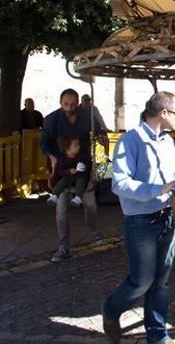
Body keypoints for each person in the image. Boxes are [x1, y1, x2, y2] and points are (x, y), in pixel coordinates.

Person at [102, 92, 175, 344]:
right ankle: (111, 310)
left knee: (161, 282)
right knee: (142, 281)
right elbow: (120, 183)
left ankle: (158, 336)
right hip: (141, 222)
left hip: (169, 218)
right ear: (164, 113)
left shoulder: (169, 142)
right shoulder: (130, 140)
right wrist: (158, 189)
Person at [40, 88, 105, 262]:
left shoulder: (86, 115)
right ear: (60, 103)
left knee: (90, 206)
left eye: (73, 104)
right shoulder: (51, 120)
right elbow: (43, 144)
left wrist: (101, 136)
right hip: (63, 168)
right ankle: (63, 247)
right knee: (61, 212)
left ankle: (92, 228)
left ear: (78, 103)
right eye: (66, 104)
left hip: (83, 165)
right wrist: (53, 158)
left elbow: (99, 129)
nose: (69, 108)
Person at [47, 135, 92, 208]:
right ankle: (54, 196)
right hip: (68, 177)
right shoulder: (62, 158)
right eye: (76, 145)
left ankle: (78, 198)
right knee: (62, 181)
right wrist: (69, 171)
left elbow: (87, 163)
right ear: (68, 148)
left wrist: (83, 167)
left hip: (80, 176)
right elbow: (59, 171)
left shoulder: (81, 156)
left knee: (82, 180)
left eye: (78, 144)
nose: (79, 147)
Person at [80, 94, 111, 158]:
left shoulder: (94, 109)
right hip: (83, 131)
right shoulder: (78, 109)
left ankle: (106, 155)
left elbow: (100, 119)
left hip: (96, 129)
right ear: (82, 101)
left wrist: (105, 128)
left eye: (89, 100)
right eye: (86, 100)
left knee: (104, 138)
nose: (87, 102)